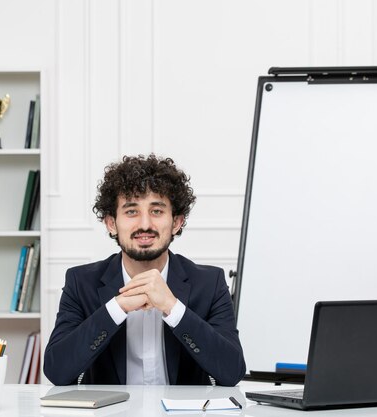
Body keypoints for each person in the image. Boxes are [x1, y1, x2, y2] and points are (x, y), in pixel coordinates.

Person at [44, 154, 246, 386]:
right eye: (131, 211)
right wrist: (116, 308)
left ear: (177, 222)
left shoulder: (209, 282)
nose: (145, 225)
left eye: (157, 211)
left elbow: (232, 372)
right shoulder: (81, 282)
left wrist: (173, 307)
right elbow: (57, 371)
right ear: (111, 224)